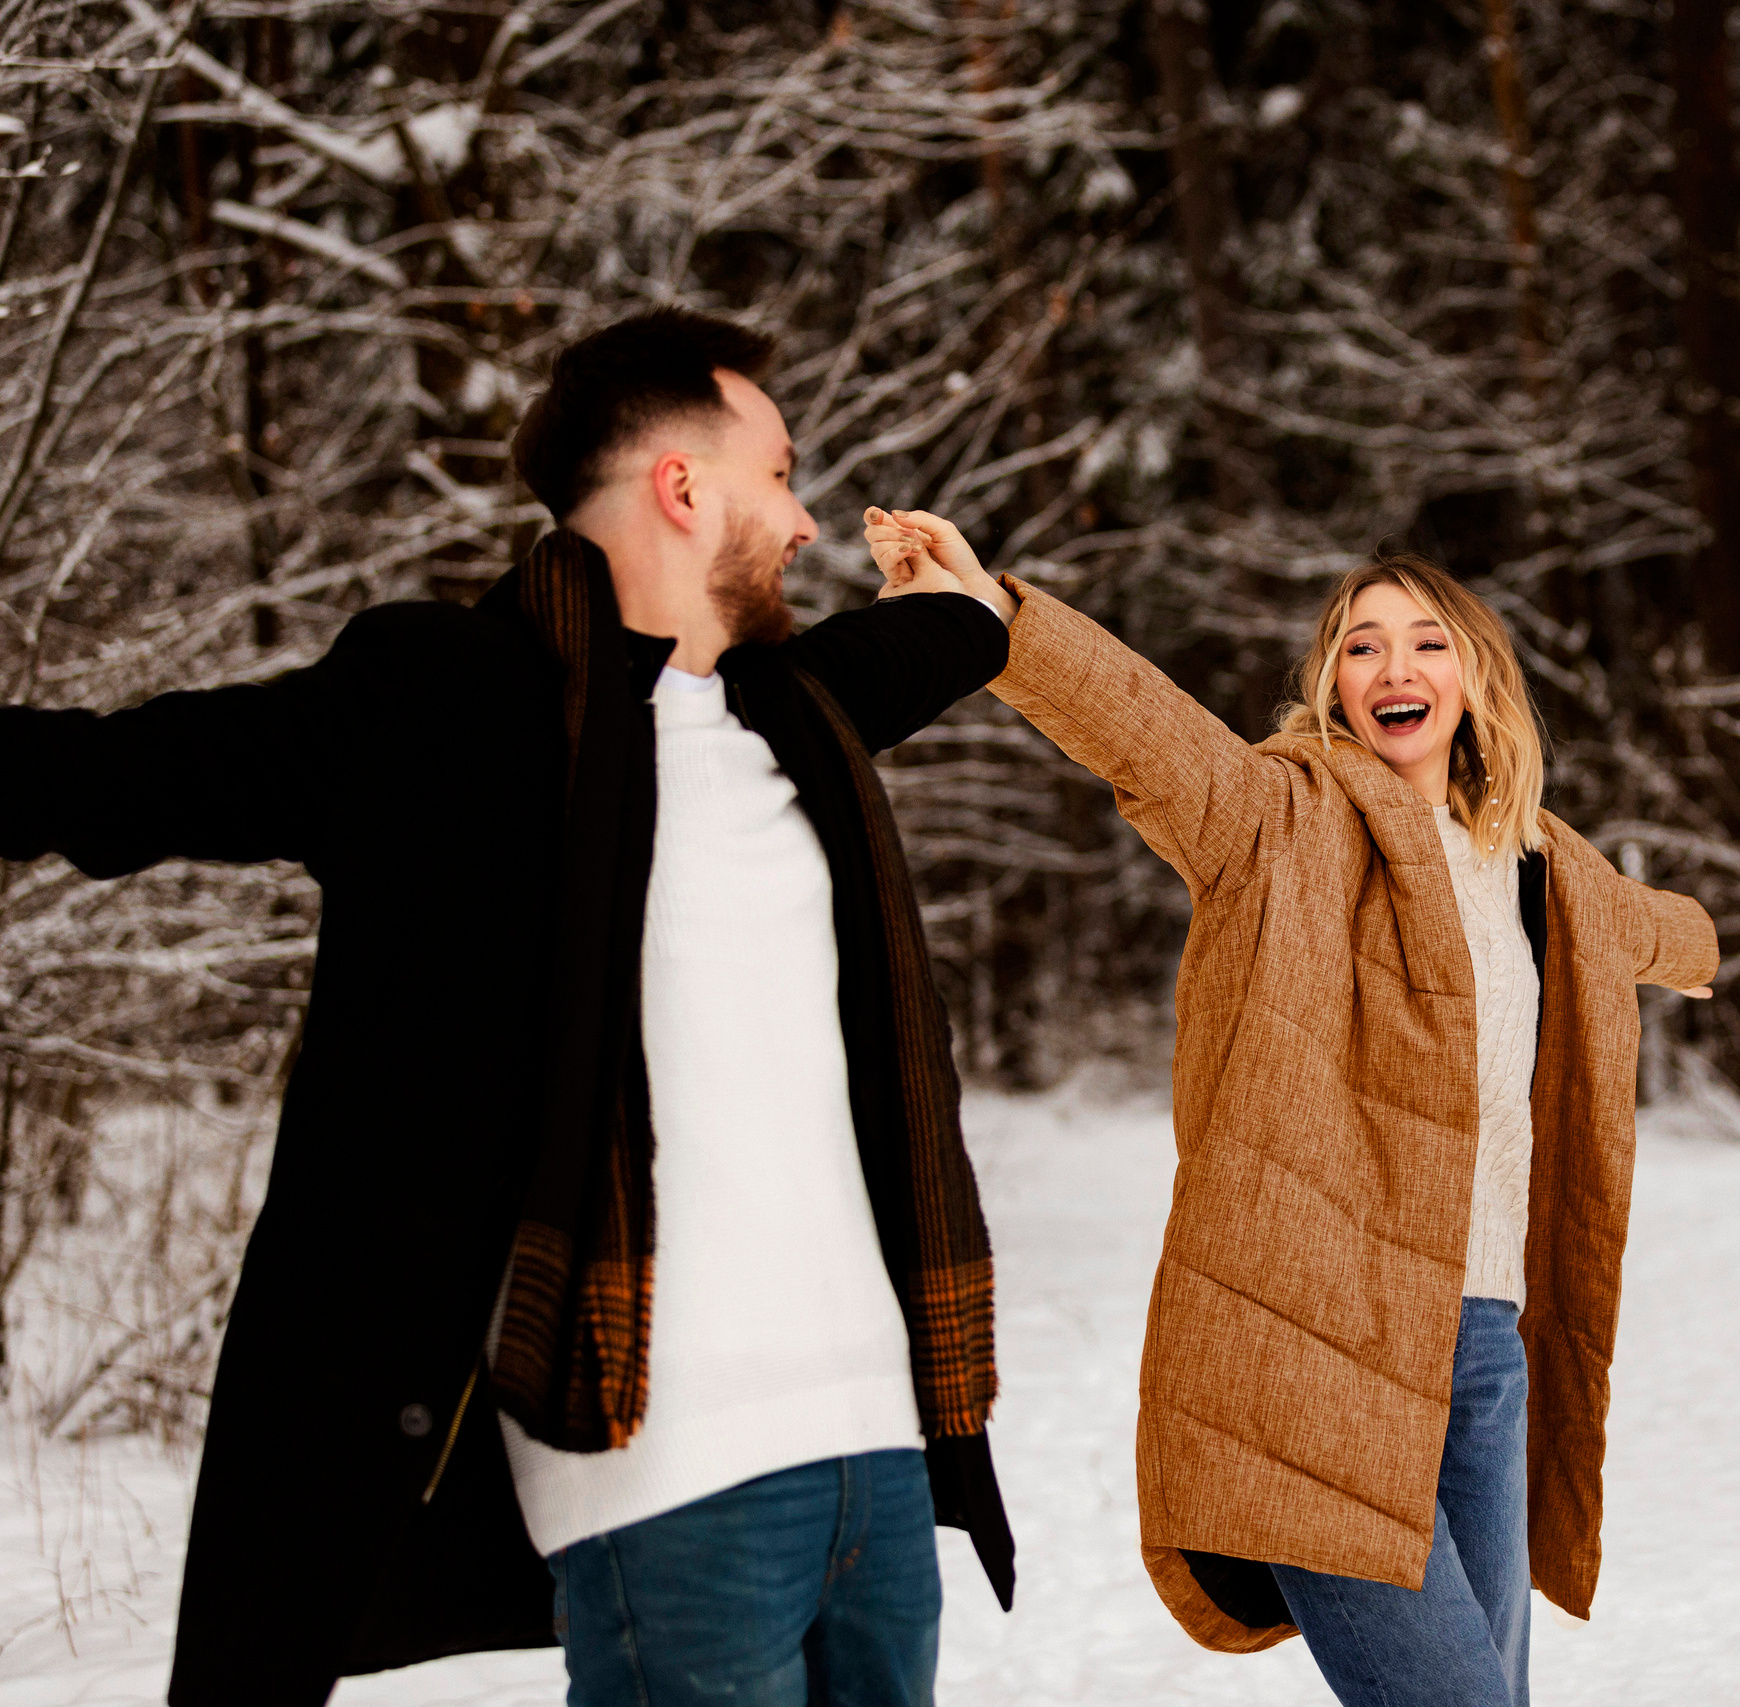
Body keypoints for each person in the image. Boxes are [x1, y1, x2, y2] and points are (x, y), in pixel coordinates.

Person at [0, 311, 1016, 1707]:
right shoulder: (451, 703)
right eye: (780, 473)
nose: (803, 519)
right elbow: (128, 773)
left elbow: (944, 639)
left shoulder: (795, 712)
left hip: (881, 1461)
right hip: (669, 1473)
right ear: (680, 484)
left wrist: (975, 601)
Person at [863, 506, 1717, 1707]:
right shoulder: (1277, 819)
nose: (1393, 667)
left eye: (1425, 641)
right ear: (1330, 683)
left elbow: (1649, 929)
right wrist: (993, 616)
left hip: (1484, 1345)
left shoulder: (1541, 865)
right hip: (1313, 1346)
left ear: (1475, 677)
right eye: (1360, 646)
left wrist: (1707, 948)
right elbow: (1146, 734)